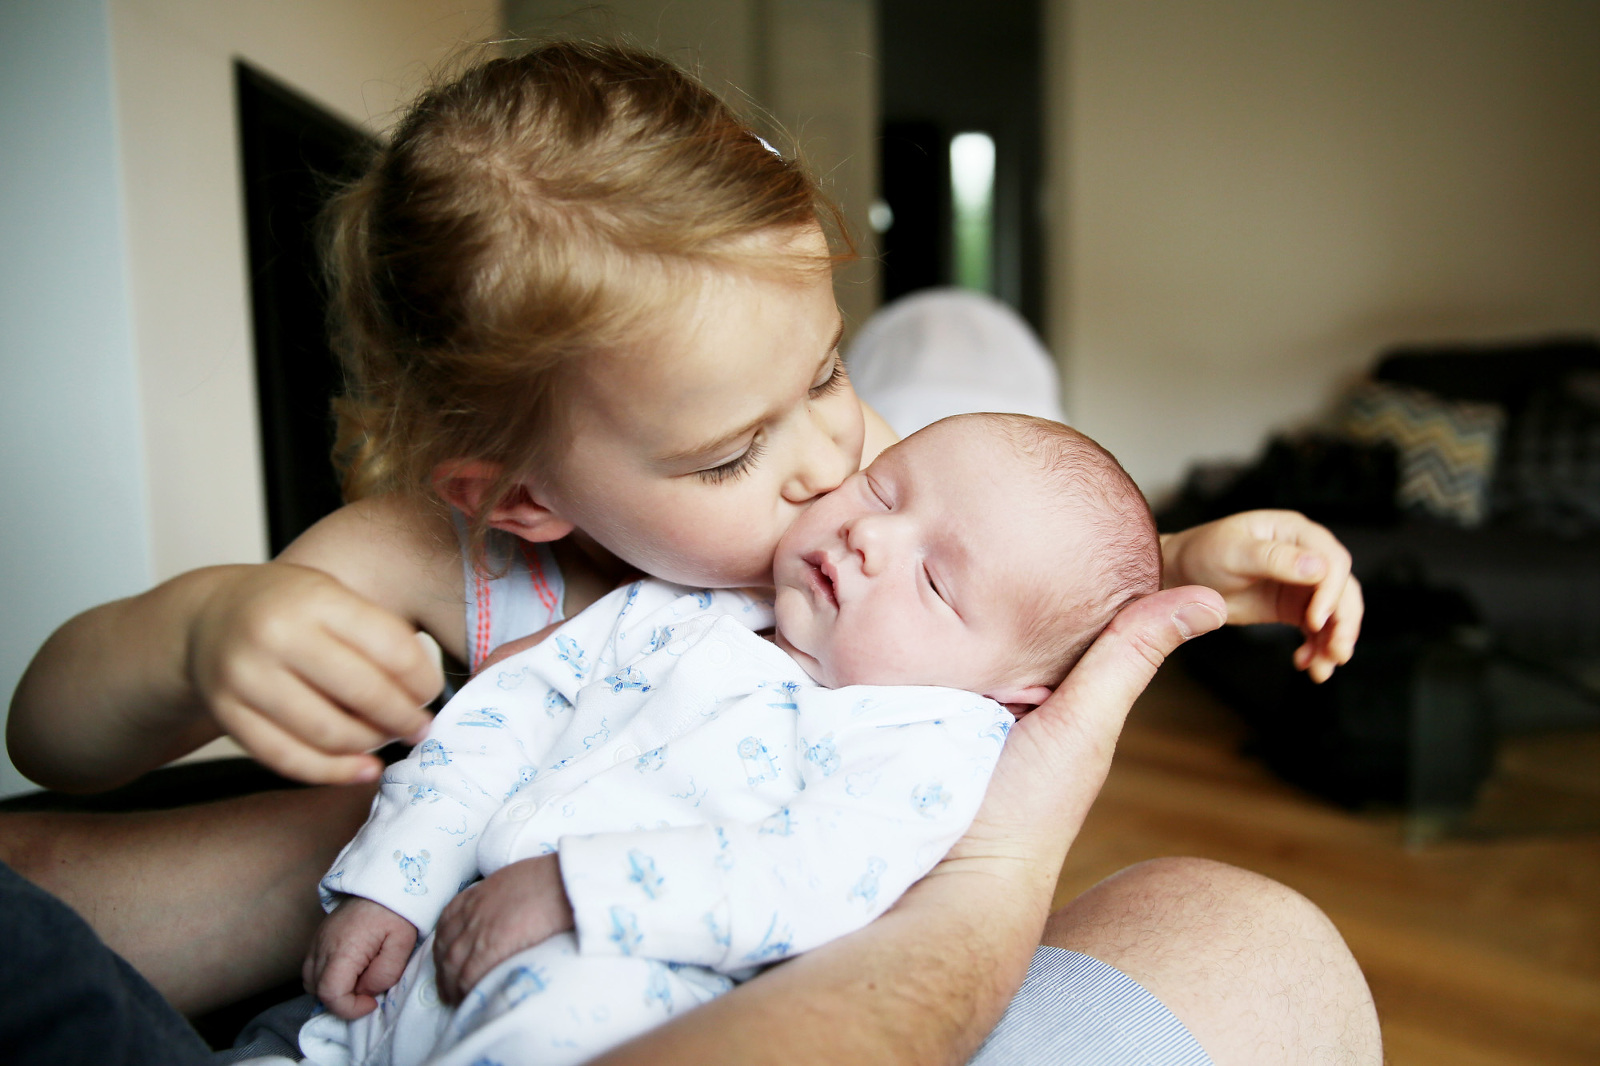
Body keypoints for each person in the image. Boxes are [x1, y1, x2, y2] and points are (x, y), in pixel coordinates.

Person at [5, 41, 1376, 1064]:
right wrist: (200, 635)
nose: (824, 463)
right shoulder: (438, 553)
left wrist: (1187, 556)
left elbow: (1018, 554)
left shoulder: (843, 483)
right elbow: (54, 733)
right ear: (525, 495)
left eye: (830, 366)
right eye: (725, 455)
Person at [295, 413, 1162, 1066]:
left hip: (620, 978)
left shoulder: (930, 741)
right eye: (881, 488)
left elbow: (815, 874)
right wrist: (394, 883)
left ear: (1015, 692)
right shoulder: (680, 605)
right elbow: (502, 717)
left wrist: (574, 892)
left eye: (934, 580)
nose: (870, 536)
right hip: (420, 956)